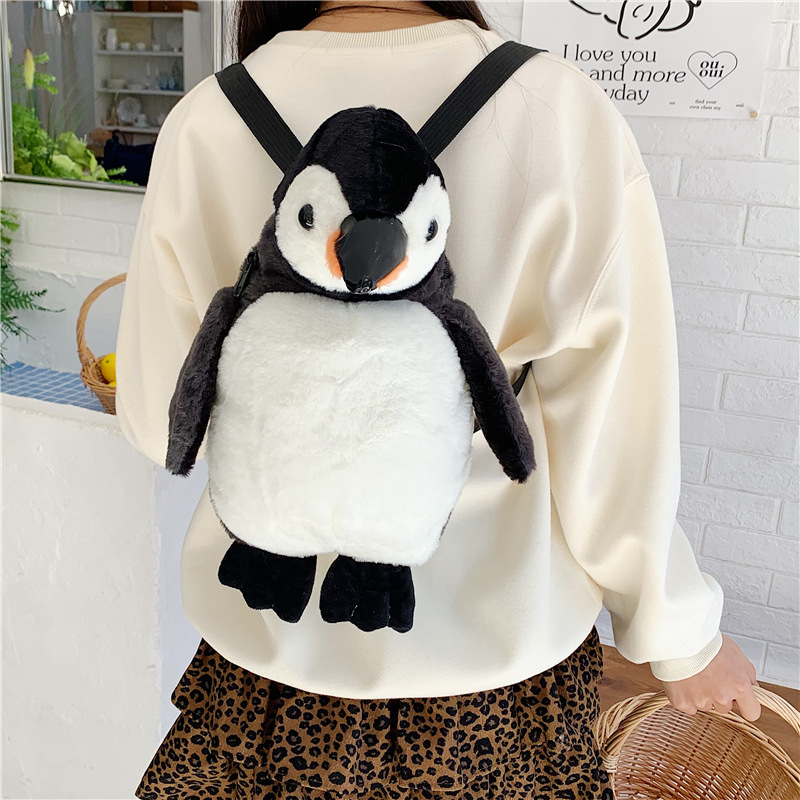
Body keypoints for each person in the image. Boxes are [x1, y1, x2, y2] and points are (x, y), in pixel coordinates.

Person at [116, 2, 761, 798]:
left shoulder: (207, 118)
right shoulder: (558, 108)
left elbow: (156, 415)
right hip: (493, 665)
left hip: (267, 660)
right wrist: (678, 634)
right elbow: (614, 436)